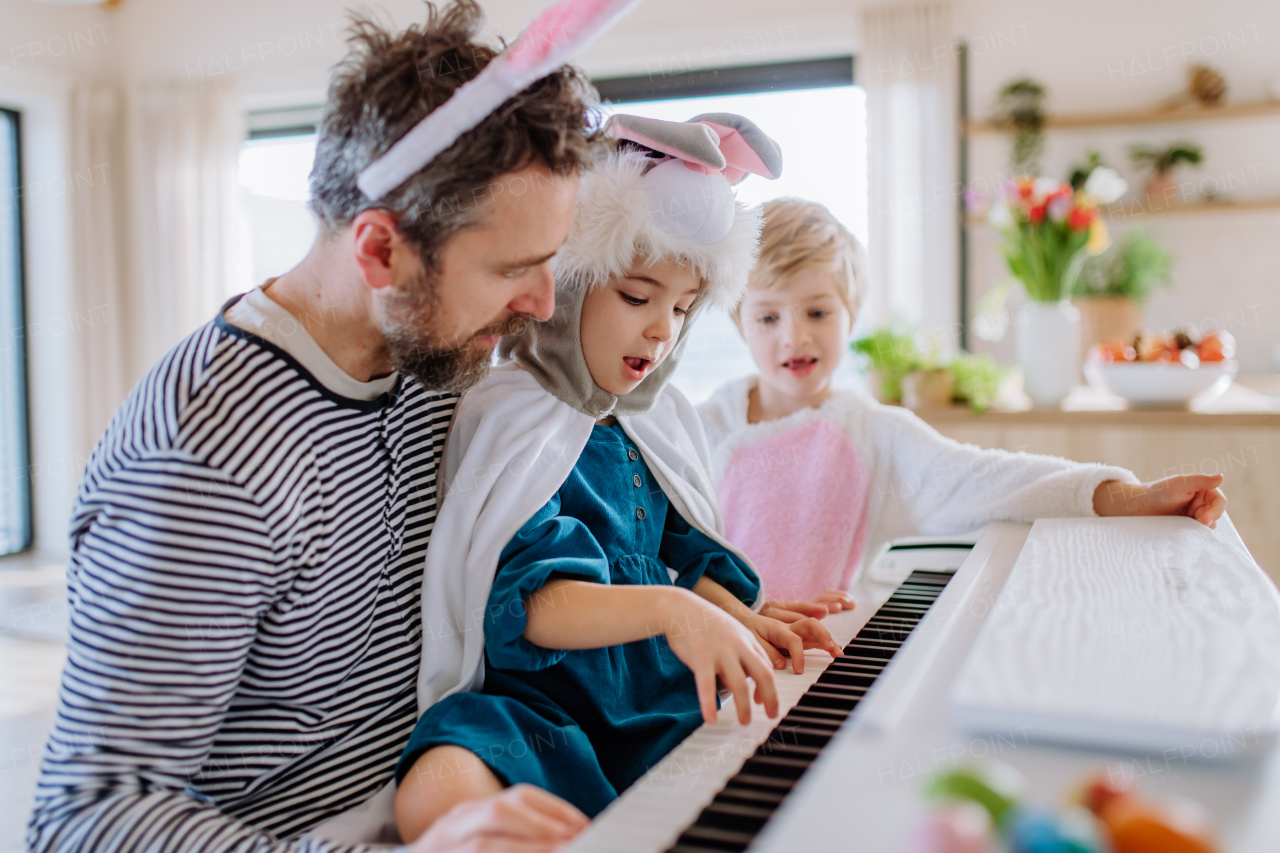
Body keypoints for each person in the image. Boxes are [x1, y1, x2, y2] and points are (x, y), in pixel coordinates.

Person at [27, 2, 621, 850]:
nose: (541, 304)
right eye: (512, 270)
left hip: (451, 786)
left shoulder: (434, 356)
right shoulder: (204, 459)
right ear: (380, 250)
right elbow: (84, 816)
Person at [391, 115, 840, 841]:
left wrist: (739, 618)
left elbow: (681, 559)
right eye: (637, 296)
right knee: (445, 763)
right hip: (546, 708)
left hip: (652, 694)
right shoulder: (512, 413)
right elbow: (530, 607)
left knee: (779, 743)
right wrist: (674, 612)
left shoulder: (656, 422)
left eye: (682, 309)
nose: (663, 329)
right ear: (569, 284)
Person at [697, 199, 1227, 608]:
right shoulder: (697, 427)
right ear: (739, 322)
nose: (794, 338)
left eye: (817, 313)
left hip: (814, 661)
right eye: (768, 318)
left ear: (851, 315)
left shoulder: (872, 433)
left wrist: (1127, 498)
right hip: (705, 659)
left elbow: (992, 479)